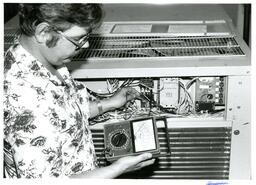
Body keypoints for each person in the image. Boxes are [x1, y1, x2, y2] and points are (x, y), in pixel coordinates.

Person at [3, 3, 155, 178]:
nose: (85, 45)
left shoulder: (39, 58)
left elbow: (60, 114)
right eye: (79, 39)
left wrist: (107, 104)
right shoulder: (26, 101)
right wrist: (116, 169)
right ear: (43, 32)